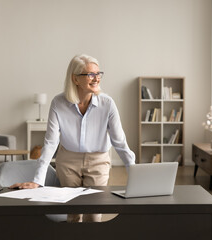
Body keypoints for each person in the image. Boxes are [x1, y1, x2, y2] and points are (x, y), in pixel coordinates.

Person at [10, 54, 135, 222]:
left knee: (94, 213)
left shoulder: (107, 104)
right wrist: (38, 180)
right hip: (68, 160)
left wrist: (134, 174)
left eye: (98, 73)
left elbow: (119, 142)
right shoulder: (58, 103)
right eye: (90, 74)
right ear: (75, 79)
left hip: (98, 160)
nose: (96, 78)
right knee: (73, 212)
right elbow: (51, 142)